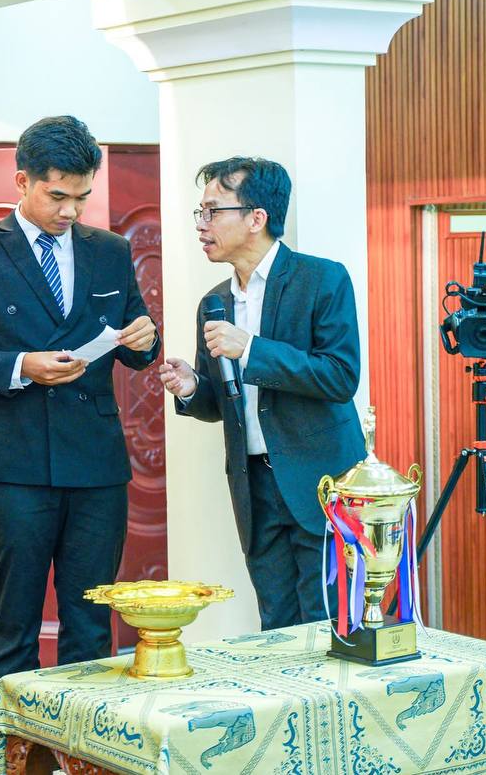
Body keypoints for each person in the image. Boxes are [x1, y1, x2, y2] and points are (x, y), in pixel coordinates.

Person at [0, 115, 160, 689]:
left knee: (91, 626)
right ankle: (15, 755)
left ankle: (88, 754)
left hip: (96, 465)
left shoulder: (110, 250)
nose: (69, 211)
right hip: (17, 465)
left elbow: (136, 345)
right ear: (22, 182)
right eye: (57, 196)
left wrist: (145, 339)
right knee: (14, 624)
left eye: (80, 199)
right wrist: (20, 366)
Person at [159, 156, 366, 630]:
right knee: (275, 627)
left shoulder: (323, 280)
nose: (201, 224)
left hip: (319, 483)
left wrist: (252, 349)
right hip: (253, 484)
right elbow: (221, 402)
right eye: (200, 212)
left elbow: (340, 376)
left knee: (330, 624)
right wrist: (193, 388)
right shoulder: (214, 300)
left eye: (213, 211)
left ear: (257, 218)